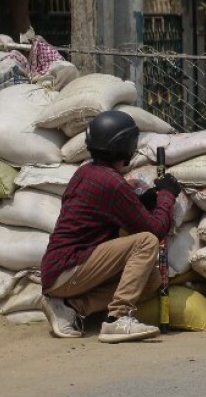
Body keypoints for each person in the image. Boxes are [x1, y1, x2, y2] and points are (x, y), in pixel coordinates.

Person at [40, 110, 180, 343]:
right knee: (146, 241)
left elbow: (119, 214)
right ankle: (118, 319)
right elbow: (155, 230)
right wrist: (166, 196)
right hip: (68, 269)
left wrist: (145, 201)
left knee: (152, 279)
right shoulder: (111, 183)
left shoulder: (88, 172)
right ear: (125, 146)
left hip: (61, 272)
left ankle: (70, 307)